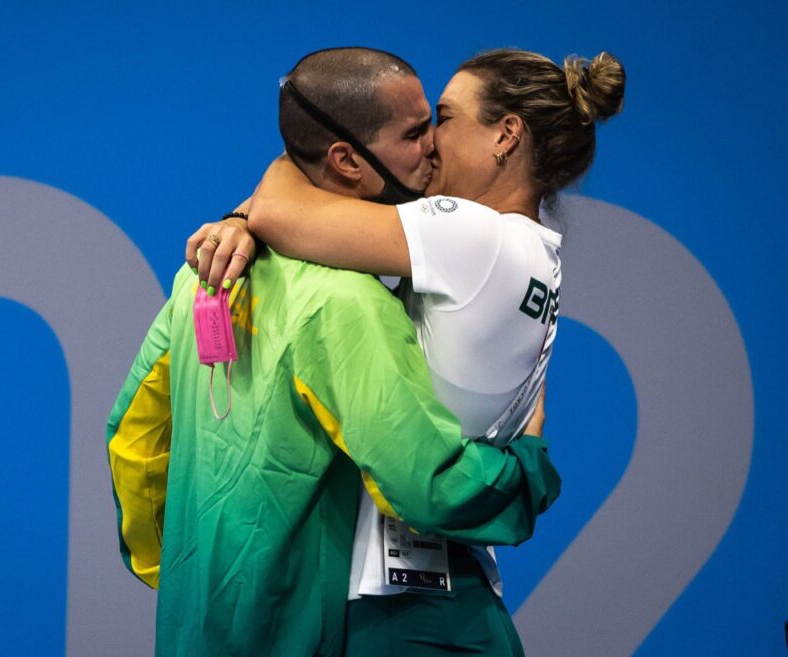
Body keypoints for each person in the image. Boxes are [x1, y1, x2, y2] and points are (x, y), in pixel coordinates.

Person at [108, 47, 561, 657]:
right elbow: (426, 485)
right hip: (329, 623)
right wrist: (528, 470)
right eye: (415, 132)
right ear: (347, 158)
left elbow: (132, 445)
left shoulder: (203, 276)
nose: (432, 146)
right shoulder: (350, 302)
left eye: (439, 121)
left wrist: (190, 575)